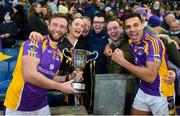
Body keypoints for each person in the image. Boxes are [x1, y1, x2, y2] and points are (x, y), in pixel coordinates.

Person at [3, 13, 83, 115]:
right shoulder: (35, 41)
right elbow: (29, 75)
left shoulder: (59, 54)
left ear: (66, 30)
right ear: (48, 25)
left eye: (62, 26)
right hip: (18, 104)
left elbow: (51, 77)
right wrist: (60, 87)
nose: (58, 29)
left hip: (41, 104)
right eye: (55, 25)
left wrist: (70, 76)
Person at [111, 13, 175, 115]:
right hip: (143, 90)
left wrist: (122, 61)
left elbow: (150, 77)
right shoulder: (130, 40)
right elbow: (117, 38)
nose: (132, 29)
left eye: (136, 25)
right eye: (128, 27)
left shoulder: (153, 43)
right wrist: (108, 46)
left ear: (142, 25)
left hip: (161, 93)